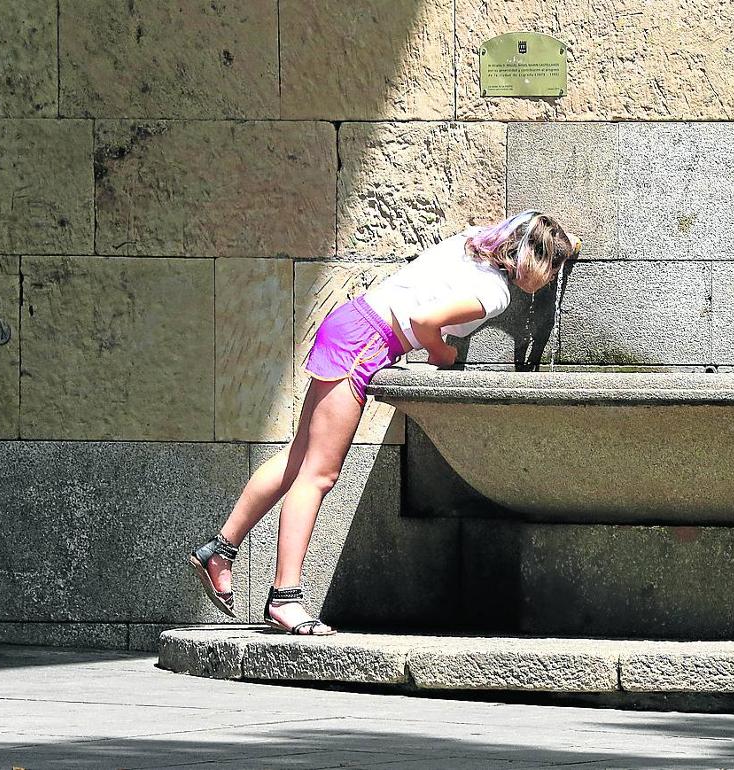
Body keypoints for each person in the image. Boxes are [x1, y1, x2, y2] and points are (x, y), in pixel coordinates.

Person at [189, 211, 581, 635]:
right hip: (365, 344)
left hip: (349, 323)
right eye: (552, 267)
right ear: (534, 263)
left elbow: (526, 230)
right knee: (319, 475)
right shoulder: (495, 292)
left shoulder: (472, 245)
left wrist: (567, 243)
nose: (551, 277)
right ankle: (285, 597)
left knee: (298, 459)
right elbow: (423, 322)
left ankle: (219, 550)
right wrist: (443, 355)